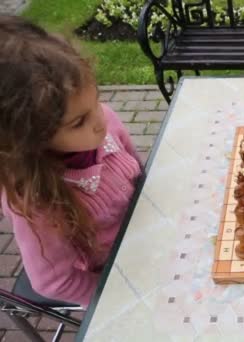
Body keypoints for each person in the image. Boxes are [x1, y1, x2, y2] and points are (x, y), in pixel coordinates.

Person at [0, 16, 142, 306]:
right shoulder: (35, 199)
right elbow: (53, 280)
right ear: (34, 139)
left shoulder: (106, 121)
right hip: (116, 271)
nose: (101, 121)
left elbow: (141, 176)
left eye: (97, 101)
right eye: (79, 122)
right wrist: (113, 300)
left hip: (147, 232)